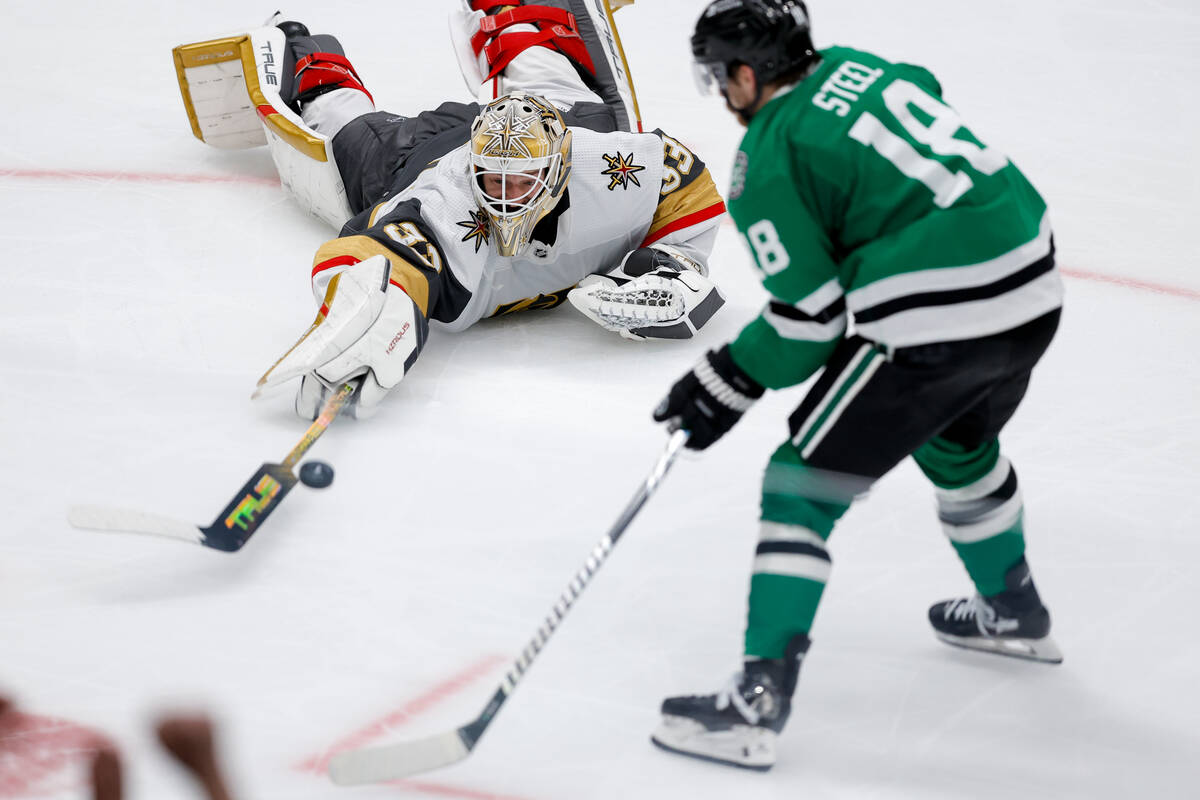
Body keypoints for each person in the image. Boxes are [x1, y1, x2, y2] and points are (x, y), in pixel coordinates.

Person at [648, 0, 1065, 771]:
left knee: (798, 485)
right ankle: (1014, 610)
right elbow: (924, 90)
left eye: (720, 76)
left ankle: (754, 707)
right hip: (1033, 288)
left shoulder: (767, 161)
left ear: (747, 72)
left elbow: (809, 326)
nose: (720, 92)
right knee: (956, 445)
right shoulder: (862, 67)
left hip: (940, 324)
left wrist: (723, 379)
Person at [172, 2, 728, 419]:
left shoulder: (604, 160)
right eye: (493, 179)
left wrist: (674, 265)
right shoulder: (447, 200)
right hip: (418, 155)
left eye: (519, 181)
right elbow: (390, 247)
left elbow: (685, 182)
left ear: (561, 167)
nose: (503, 197)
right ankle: (304, 53)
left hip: (542, 124)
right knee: (348, 136)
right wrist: (381, 298)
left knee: (569, 97)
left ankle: (516, 20)